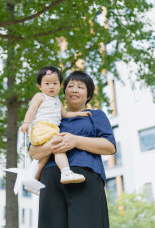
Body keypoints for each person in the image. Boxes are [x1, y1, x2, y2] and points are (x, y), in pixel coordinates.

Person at [29, 70, 116, 228]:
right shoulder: (50, 117)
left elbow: (109, 147)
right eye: (71, 86)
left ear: (88, 95)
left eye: (80, 87)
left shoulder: (95, 115)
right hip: (50, 181)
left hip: (85, 179)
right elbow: (34, 153)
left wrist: (75, 141)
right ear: (63, 91)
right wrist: (57, 143)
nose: (75, 90)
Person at [21, 66, 91, 194]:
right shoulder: (40, 96)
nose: (51, 87)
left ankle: (32, 181)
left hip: (50, 128)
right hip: (43, 128)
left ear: (60, 86)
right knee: (59, 145)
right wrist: (26, 123)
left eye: (55, 83)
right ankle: (65, 172)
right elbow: (31, 110)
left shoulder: (57, 101)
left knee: (44, 157)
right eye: (47, 84)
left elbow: (65, 114)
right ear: (39, 86)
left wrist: (80, 114)